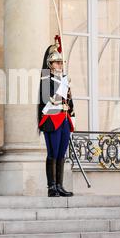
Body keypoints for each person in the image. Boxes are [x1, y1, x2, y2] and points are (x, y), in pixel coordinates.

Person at [38, 36, 75, 197]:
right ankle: (51, 187)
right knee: (52, 153)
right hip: (52, 120)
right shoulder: (46, 80)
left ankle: (60, 185)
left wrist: (72, 116)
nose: (60, 65)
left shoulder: (64, 80)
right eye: (57, 62)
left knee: (61, 153)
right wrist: (62, 87)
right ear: (50, 65)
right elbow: (48, 102)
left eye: (61, 63)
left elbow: (70, 103)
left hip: (64, 119)